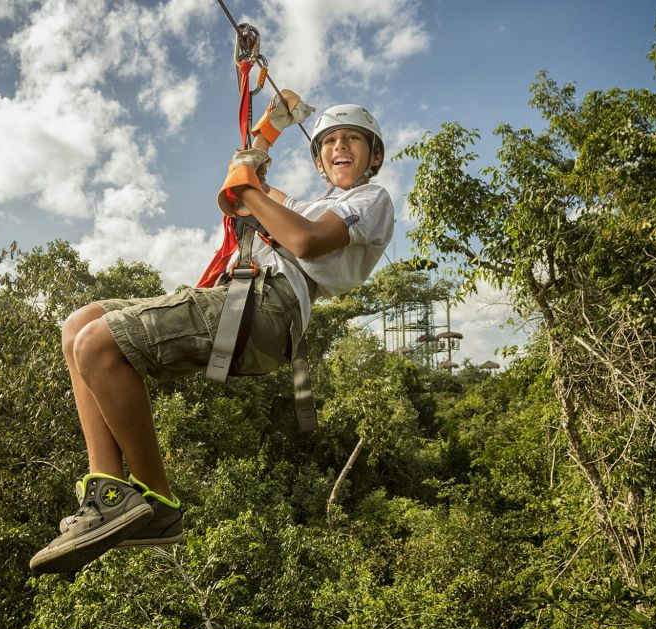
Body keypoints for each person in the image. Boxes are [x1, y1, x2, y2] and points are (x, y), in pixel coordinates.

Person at [29, 94, 395, 576]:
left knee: (99, 343)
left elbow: (303, 238)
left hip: (268, 306)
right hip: (244, 295)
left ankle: (156, 502)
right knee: (78, 325)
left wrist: (250, 194)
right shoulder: (311, 204)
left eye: (352, 139)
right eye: (329, 141)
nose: (339, 147)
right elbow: (249, 175)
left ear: (373, 156)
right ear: (320, 159)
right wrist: (269, 127)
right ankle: (108, 490)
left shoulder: (370, 200)